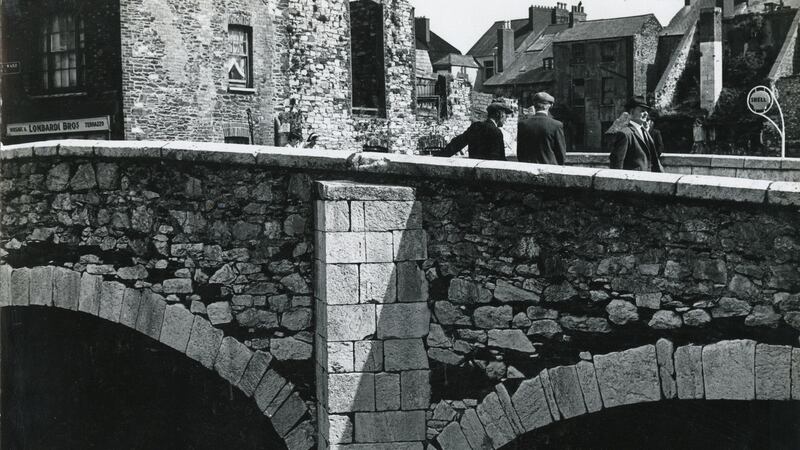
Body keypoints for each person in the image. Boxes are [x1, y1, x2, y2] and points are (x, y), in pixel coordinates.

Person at [440, 99, 512, 160]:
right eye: (505, 115)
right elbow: (500, 159)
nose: (506, 118)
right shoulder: (496, 132)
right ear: (499, 114)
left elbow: (457, 144)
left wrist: (439, 156)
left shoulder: (475, 126)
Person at [610, 96, 663, 172]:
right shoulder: (625, 134)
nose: (646, 114)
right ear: (631, 112)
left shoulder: (645, 132)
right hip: (633, 178)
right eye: (642, 111)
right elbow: (617, 165)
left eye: (646, 111)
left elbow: (654, 160)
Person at [516, 92, 567, 165]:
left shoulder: (523, 124)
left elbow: (520, 152)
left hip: (528, 168)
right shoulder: (556, 125)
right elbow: (561, 154)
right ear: (548, 106)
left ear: (534, 106)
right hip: (549, 168)